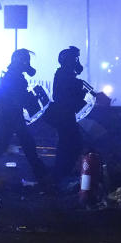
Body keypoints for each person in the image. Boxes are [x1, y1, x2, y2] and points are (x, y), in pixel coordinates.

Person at [0, 49, 49, 182]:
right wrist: (31, 101)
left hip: (10, 115)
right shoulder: (14, 77)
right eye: (25, 60)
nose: (27, 63)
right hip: (12, 116)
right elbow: (17, 97)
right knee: (26, 143)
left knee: (2, 144)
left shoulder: (13, 75)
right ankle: (40, 172)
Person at [41, 46, 88, 183]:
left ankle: (61, 172)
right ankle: (60, 173)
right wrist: (79, 93)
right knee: (71, 143)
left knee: (69, 143)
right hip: (64, 115)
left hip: (66, 114)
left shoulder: (66, 74)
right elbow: (61, 96)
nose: (76, 61)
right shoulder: (64, 75)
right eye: (74, 59)